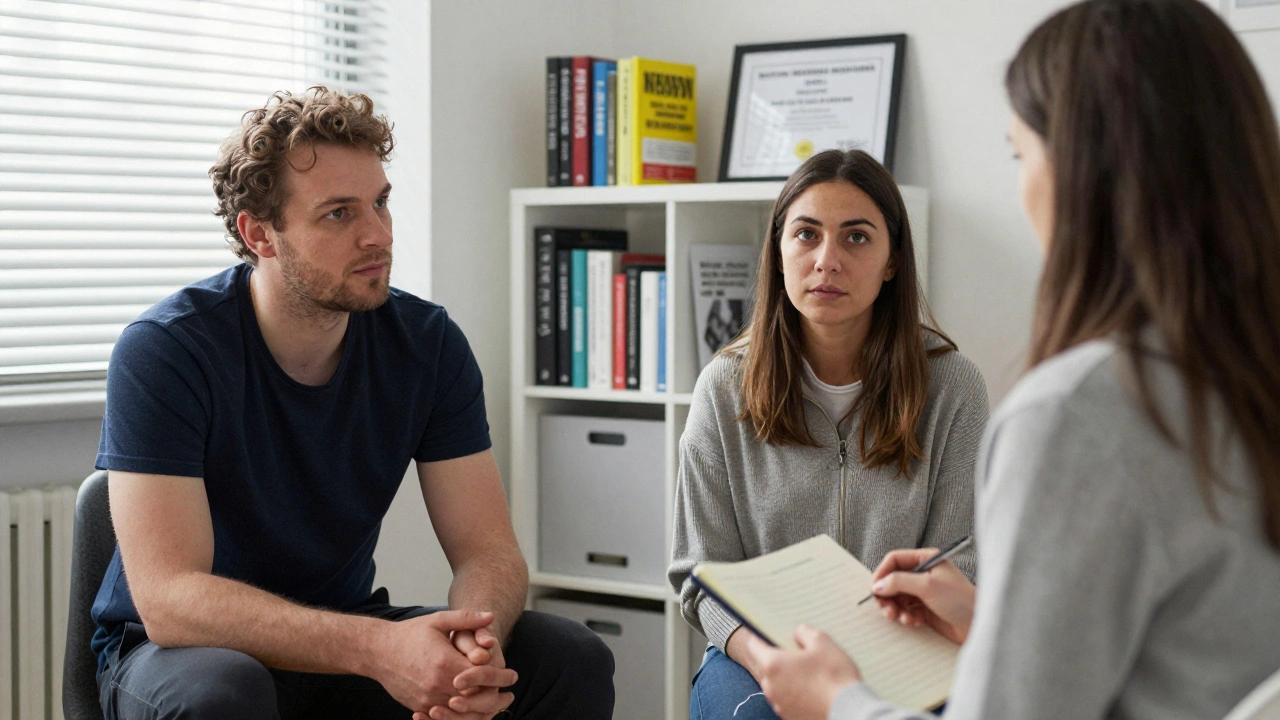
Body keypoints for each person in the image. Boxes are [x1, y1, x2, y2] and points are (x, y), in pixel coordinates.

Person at [739, 1, 1280, 718]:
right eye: (805, 235)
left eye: (1021, 154)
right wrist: (990, 619)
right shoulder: (1243, 376)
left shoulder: (1077, 414)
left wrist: (838, 702)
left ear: (1087, 172)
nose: (827, 260)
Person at [91, 87, 614, 720]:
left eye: (381, 203)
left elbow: (488, 552)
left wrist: (474, 650)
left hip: (343, 638)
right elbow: (171, 601)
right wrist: (378, 649)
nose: (379, 236)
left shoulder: (427, 345)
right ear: (259, 233)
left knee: (568, 654)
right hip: (177, 655)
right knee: (224, 693)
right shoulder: (166, 351)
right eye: (339, 214)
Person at [668, 148, 989, 719]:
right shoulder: (722, 388)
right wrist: (767, 660)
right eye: (806, 234)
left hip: (909, 644)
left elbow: (960, 561)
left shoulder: (954, 387)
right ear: (778, 249)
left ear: (893, 260)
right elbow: (698, 574)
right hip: (760, 652)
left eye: (857, 238)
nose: (826, 260)